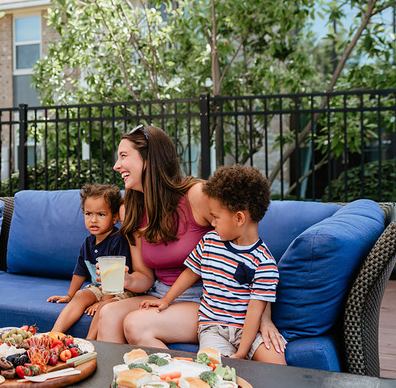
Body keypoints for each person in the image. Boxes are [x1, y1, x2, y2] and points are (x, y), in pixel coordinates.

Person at [96, 125, 285, 356]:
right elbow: (145, 278)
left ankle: (176, 378)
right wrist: (127, 279)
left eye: (124, 156)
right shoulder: (130, 209)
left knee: (136, 323)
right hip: (161, 294)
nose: (116, 166)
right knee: (107, 313)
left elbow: (247, 244)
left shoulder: (197, 195)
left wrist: (264, 319)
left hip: (206, 299)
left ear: (150, 159)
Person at [139, 165, 286, 364]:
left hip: (248, 330)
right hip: (212, 328)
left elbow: (254, 312)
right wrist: (166, 300)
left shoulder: (264, 263)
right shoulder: (210, 241)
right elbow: (191, 272)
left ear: (239, 218)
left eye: (216, 217)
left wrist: (241, 353)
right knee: (211, 370)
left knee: (277, 362)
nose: (213, 223)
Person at [47, 183, 134, 340]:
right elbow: (80, 270)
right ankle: (54, 334)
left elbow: (116, 282)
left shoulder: (118, 241)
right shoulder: (88, 243)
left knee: (104, 308)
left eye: (101, 215)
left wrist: (101, 302)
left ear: (114, 217)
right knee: (80, 295)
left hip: (121, 290)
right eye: (88, 214)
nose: (93, 220)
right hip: (100, 288)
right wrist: (69, 295)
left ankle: (88, 342)